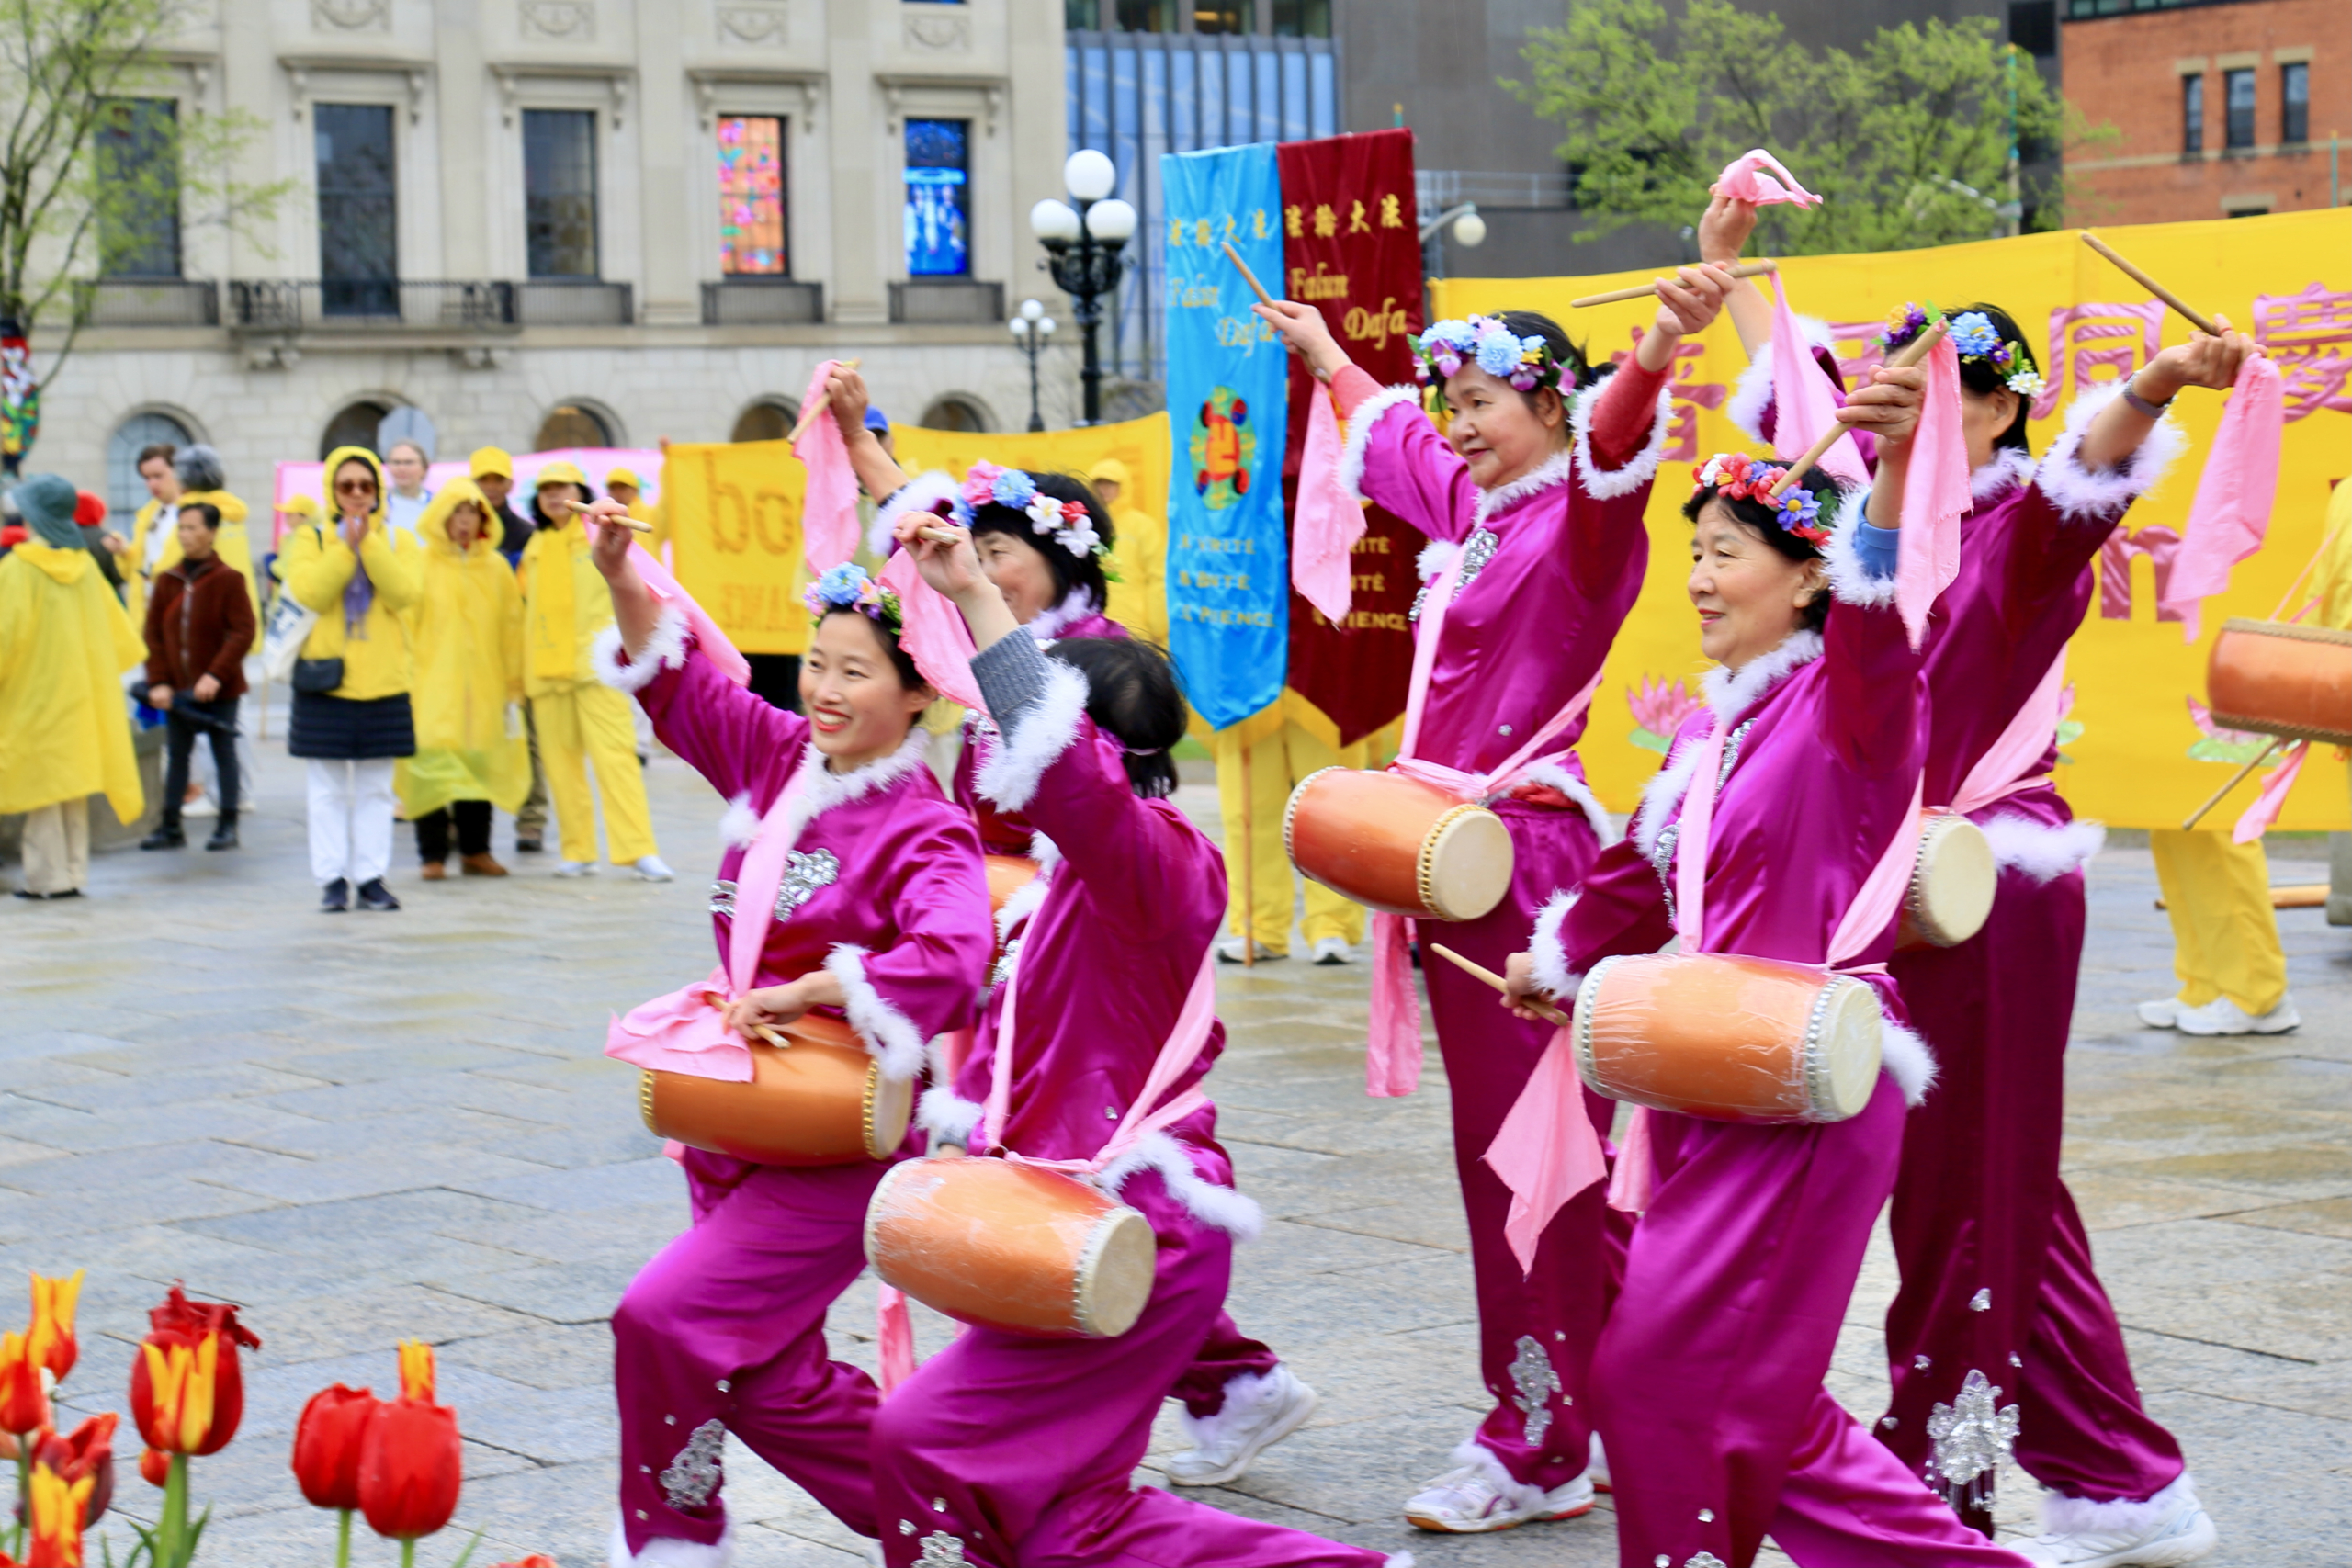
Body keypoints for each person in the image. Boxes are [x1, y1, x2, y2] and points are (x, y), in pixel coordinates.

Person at [1701, 190, 2236, 1562]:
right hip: (1890, 887)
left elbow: (2101, 455)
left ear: (1996, 413)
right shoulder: (1877, 527)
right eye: (1887, 375)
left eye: (1928, 381)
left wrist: (2166, 376)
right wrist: (1730, 265)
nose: (1883, 395)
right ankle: (2120, 1477)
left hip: (1982, 887)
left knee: (1958, 1197)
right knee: (2001, 1190)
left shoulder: (2018, 526)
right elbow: (1799, 375)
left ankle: (1942, 1485)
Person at [1505, 368, 2042, 1567]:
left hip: (1806, 1079)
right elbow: (1636, 881)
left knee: (1654, 1371)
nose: (1697, 577)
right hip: (1707, 1071)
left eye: (1726, 553)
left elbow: (1883, 604)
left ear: (1808, 577)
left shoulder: (1851, 702)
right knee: (1760, 1404)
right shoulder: (1711, 731)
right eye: (1693, 550)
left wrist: (1895, 474)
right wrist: (1557, 961)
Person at [1249, 270, 1725, 1529]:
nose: (1456, 423)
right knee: (1531, 1157)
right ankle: (1629, 1393)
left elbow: (1620, 436)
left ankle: (1540, 1437)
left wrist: (1666, 339)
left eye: (1483, 402)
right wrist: (1323, 353)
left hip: (1526, 871)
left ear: (1553, 408)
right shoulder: (1478, 506)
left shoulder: (1581, 516)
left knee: (1531, 1163)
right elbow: (1391, 440)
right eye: (1451, 400)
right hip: (1460, 862)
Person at [866, 514, 1406, 1568]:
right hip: (1066, 1225)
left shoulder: (1153, 865)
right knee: (1071, 1520)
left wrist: (978, 598)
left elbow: (1065, 770)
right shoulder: (1075, 878)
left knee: (923, 1440)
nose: (1003, 750)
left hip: (1138, 1237)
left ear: (1097, 754)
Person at [589, 526, 993, 1567]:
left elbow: (955, 955)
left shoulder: (925, 825)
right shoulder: (776, 756)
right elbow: (675, 682)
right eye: (816, 661)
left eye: (854, 671)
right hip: (737, 1110)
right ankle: (958, 1528)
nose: (824, 686)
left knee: (661, 1321)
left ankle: (676, 1539)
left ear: (918, 694)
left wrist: (825, 985)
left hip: (837, 1134)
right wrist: (618, 574)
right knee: (766, 1374)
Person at [279, 446, 423, 913]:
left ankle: (371, 876)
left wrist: (371, 544)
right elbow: (311, 592)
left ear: (379, 492)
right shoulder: (310, 539)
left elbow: (404, 593)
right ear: (333, 493)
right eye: (347, 487)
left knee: (377, 788)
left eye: (366, 486)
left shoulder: (399, 540)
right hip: (326, 680)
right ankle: (332, 879)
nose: (357, 495)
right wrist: (345, 547)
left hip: (383, 680)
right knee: (326, 790)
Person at [519, 459, 672, 881]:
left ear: (577, 491)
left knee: (617, 759)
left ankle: (637, 848)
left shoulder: (596, 535)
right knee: (560, 765)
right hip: (546, 671)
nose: (553, 495)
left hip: (593, 669)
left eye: (561, 487)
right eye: (546, 489)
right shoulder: (534, 546)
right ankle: (577, 849)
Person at [0, 474, 145, 898]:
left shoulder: (18, 569)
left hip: (33, 695)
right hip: (81, 697)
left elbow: (5, 637)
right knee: (73, 788)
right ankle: (74, 873)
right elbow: (119, 637)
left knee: (41, 788)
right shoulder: (85, 569)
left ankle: (47, 878)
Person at [396, 479, 526, 880]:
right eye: (457, 513)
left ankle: (476, 850)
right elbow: (405, 626)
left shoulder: (496, 568)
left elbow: (511, 628)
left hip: (485, 688)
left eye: (472, 514)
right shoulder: (420, 564)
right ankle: (432, 855)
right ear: (442, 518)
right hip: (431, 687)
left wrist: (512, 685)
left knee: (479, 765)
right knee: (432, 767)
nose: (465, 522)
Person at [139, 500, 254, 852]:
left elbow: (242, 632)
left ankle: (227, 824)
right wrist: (159, 681)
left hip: (220, 689)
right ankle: (170, 825)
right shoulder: (168, 580)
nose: (186, 535)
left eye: (193, 528)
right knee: (178, 754)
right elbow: (153, 634)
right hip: (176, 688)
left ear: (212, 532)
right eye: (182, 528)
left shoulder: (229, 579)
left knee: (223, 752)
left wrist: (216, 675)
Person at [469, 446, 548, 851]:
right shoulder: (461, 532)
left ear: (509, 485)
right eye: (484, 479)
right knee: (470, 732)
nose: (491, 487)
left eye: (498, 479)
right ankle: (463, 822)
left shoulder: (526, 534)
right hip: (474, 650)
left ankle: (531, 819)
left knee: (529, 736)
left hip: (519, 649)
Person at [144, 446, 257, 621]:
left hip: (204, 617)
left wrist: (150, 576)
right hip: (239, 612)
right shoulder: (233, 514)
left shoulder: (192, 517)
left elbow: (168, 566)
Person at [1089, 455, 1167, 649]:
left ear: (1123, 487)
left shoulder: (1143, 526)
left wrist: (1157, 624)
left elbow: (1157, 576)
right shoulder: (1086, 525)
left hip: (1135, 625)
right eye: (1099, 483)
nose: (1104, 489)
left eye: (1111, 483)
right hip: (1092, 625)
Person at [383, 438, 435, 541]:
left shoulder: (437, 503)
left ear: (424, 468)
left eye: (408, 462)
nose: (402, 468)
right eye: (396, 462)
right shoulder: (379, 504)